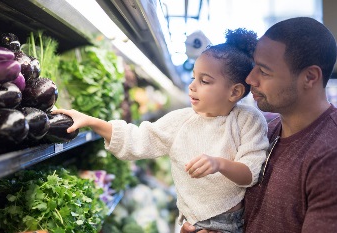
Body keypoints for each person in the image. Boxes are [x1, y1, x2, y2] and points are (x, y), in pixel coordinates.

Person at [52, 28, 269, 233]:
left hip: (228, 224)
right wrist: (91, 121)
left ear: (234, 92)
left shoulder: (248, 120)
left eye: (204, 81)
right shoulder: (181, 121)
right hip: (189, 220)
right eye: (194, 77)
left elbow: (251, 174)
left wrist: (218, 163)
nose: (192, 86)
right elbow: (135, 139)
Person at [181, 16, 337, 233]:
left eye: (264, 71)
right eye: (254, 66)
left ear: (309, 77)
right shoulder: (265, 129)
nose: (250, 79)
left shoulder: (331, 155)